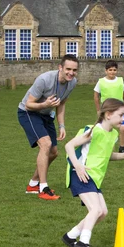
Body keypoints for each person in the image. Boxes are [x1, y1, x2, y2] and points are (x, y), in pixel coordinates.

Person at [62, 98, 124, 247]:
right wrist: (77, 165)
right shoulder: (94, 130)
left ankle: (70, 236)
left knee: (102, 212)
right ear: (108, 114)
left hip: (95, 178)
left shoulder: (113, 134)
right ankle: (84, 242)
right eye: (121, 115)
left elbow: (107, 155)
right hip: (81, 174)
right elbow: (69, 145)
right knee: (95, 209)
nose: (123, 119)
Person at [18, 54, 79, 200]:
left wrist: (62, 125)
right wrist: (45, 104)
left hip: (46, 115)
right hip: (28, 113)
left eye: (74, 70)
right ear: (60, 68)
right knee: (45, 144)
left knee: (53, 152)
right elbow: (29, 104)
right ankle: (43, 188)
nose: (71, 73)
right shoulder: (44, 79)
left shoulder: (72, 82)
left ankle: (33, 184)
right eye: (68, 69)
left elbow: (62, 103)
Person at [94, 60, 124, 153]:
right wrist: (98, 110)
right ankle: (104, 147)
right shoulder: (101, 81)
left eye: (114, 70)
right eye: (110, 70)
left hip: (120, 109)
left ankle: (122, 147)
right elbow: (96, 96)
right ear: (106, 71)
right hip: (107, 110)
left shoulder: (120, 80)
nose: (112, 72)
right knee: (106, 129)